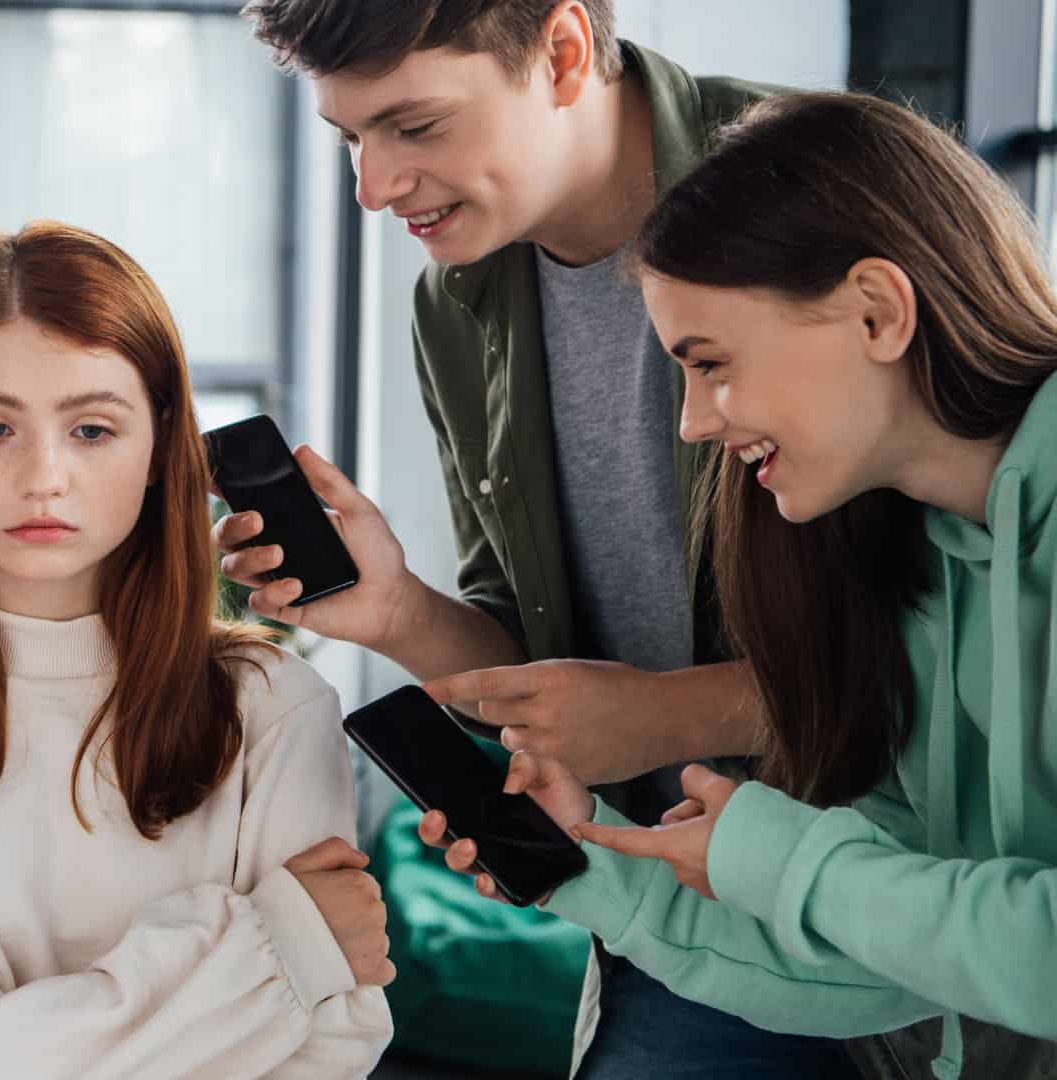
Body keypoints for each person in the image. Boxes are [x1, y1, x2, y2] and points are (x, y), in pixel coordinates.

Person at [227, 0, 853, 1074]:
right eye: (349, 139)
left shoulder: (827, 188)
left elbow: (975, 648)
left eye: (415, 127)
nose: (374, 188)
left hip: (894, 888)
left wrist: (667, 715)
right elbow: (535, 660)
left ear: (563, 52)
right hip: (672, 905)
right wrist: (399, 613)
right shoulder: (457, 303)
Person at [422, 91, 1057, 1080]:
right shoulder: (917, 569)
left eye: (711, 364)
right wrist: (584, 861)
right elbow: (889, 966)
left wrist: (779, 855)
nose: (693, 424)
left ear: (878, 311)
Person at [0, 222, 394, 1077]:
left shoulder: (276, 705)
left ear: (164, 443)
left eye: (92, 429)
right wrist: (277, 954)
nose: (43, 477)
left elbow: (327, 1053)